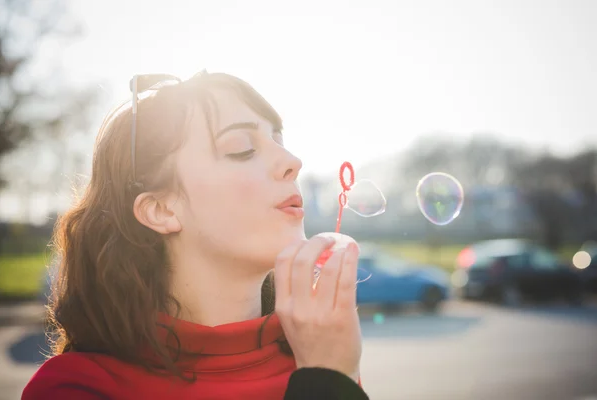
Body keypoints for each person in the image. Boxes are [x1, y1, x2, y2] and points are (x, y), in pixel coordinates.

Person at [22, 71, 370, 399]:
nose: (293, 160)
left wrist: (331, 373)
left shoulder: (317, 353)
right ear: (162, 209)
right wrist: (325, 380)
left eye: (279, 140)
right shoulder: (77, 388)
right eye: (242, 148)